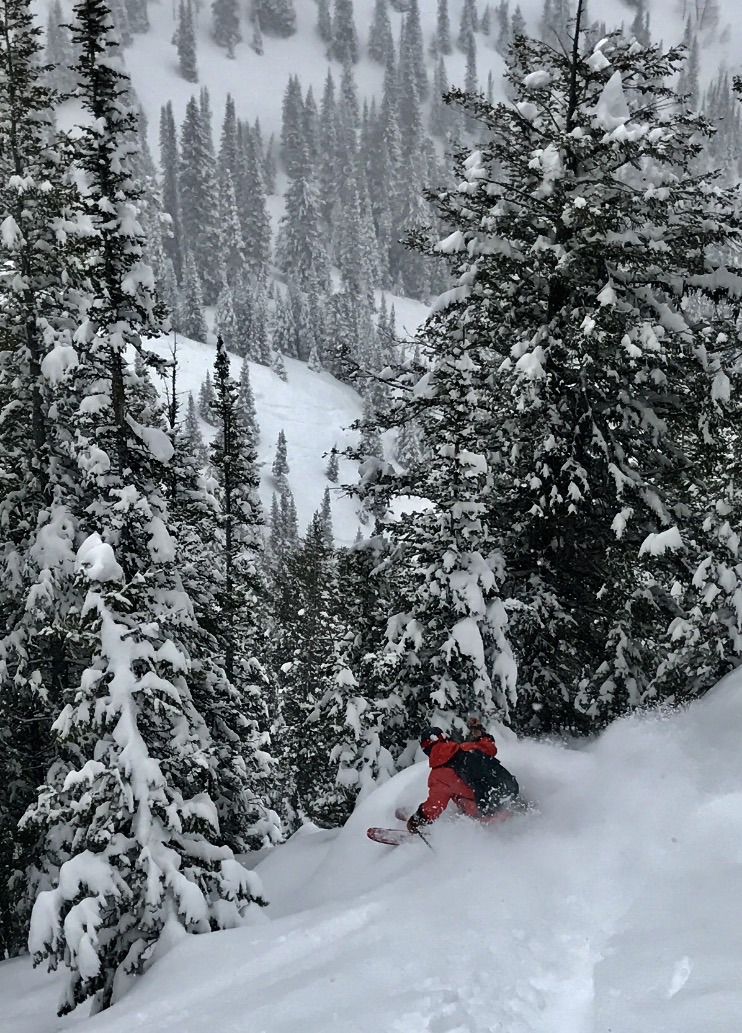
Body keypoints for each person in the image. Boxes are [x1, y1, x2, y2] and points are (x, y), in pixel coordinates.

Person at [406, 725, 520, 834]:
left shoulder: (439, 775)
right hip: (510, 793)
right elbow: (490, 747)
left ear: (426, 750)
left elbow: (435, 806)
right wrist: (481, 734)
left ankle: (480, 828)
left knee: (457, 796)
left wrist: (419, 818)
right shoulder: (468, 747)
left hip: (487, 812)